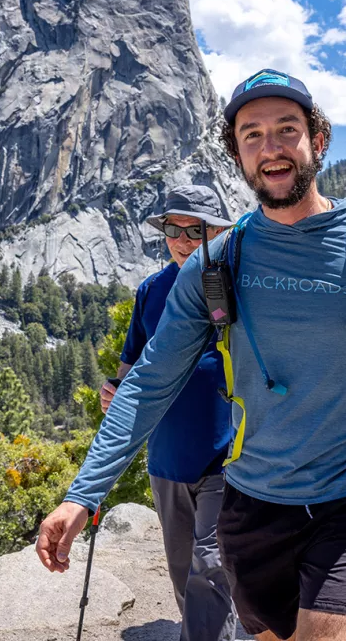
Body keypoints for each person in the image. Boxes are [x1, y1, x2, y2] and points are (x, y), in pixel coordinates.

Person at [38, 69, 346, 641]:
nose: (271, 147)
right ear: (235, 153)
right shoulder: (215, 263)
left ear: (319, 139)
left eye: (287, 129)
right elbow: (148, 382)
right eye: (252, 134)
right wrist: (83, 495)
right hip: (252, 507)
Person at [100, 184, 237, 641]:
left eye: (192, 230)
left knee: (211, 562)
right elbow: (130, 366)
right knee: (182, 563)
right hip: (166, 459)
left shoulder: (240, 286)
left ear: (217, 232)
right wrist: (115, 391)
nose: (180, 240)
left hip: (230, 455)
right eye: (172, 230)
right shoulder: (151, 290)